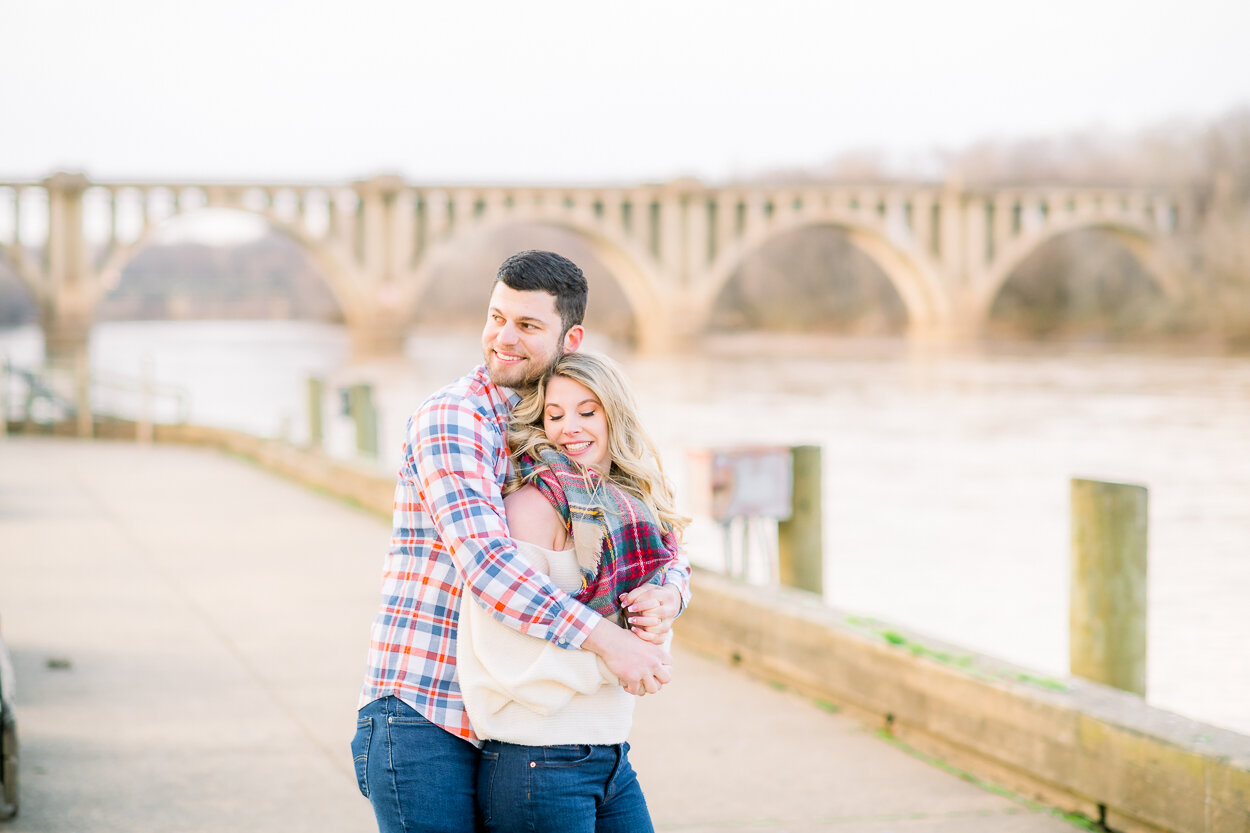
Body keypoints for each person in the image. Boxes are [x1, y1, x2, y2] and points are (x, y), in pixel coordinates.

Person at [352, 250, 690, 833]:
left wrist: (670, 593)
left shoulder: (555, 422)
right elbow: (489, 567)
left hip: (516, 720)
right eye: (496, 317)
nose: (503, 338)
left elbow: (644, 523)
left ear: (571, 338)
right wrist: (613, 642)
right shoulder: (454, 418)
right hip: (424, 715)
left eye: (528, 325)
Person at [457, 351, 690, 833]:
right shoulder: (531, 507)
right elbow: (506, 653)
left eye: (588, 411)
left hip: (610, 755)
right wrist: (619, 657)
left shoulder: (633, 510)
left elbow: (665, 584)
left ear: (615, 414)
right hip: (537, 761)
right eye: (555, 414)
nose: (570, 428)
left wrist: (667, 602)